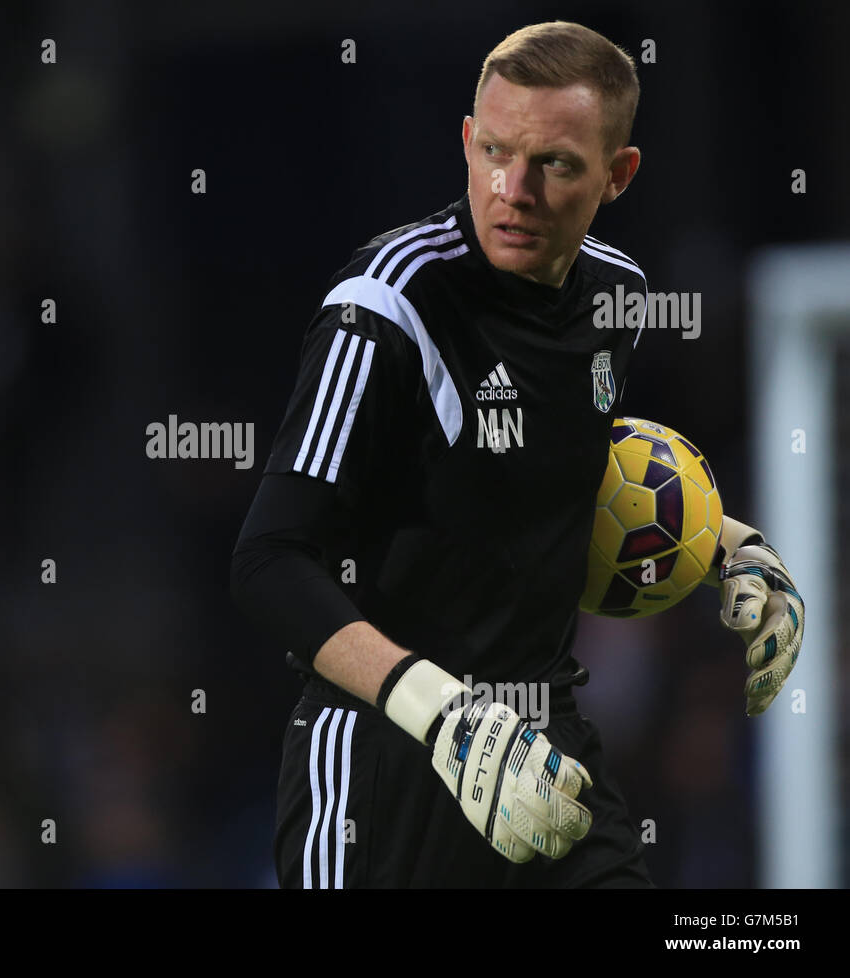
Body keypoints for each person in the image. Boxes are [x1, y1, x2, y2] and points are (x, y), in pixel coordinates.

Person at [229, 20, 804, 888]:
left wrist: (727, 544)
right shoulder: (387, 306)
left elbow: (563, 469)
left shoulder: (619, 297)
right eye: (494, 150)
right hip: (381, 761)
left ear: (619, 175)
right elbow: (267, 560)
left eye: (556, 164)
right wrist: (444, 712)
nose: (514, 189)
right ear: (465, 139)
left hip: (543, 738)